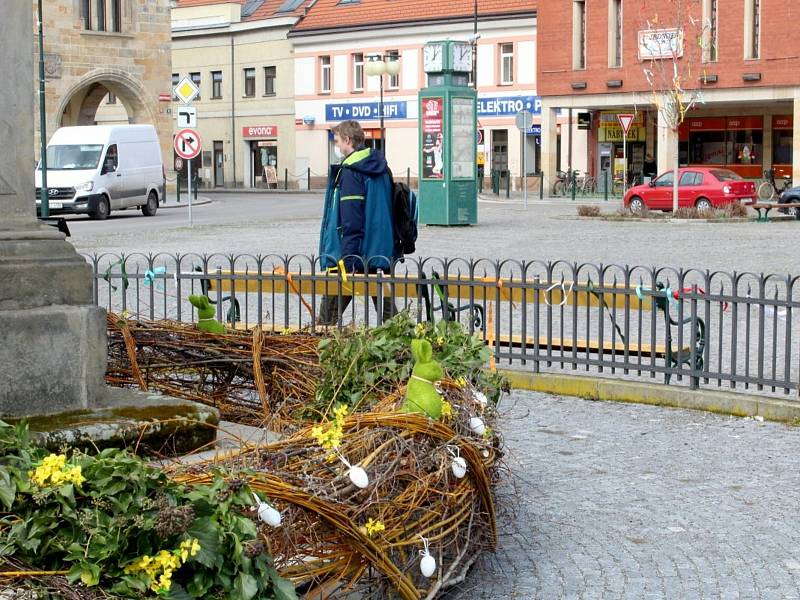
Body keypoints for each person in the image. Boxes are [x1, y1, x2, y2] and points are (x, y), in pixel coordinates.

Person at [318, 120, 399, 326]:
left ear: (347, 140)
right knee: (390, 317)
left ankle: (321, 344)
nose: (337, 147)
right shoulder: (381, 168)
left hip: (357, 255)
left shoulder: (352, 170)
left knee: (327, 316)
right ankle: (402, 348)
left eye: (337, 141)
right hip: (380, 252)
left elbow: (351, 219)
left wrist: (349, 259)